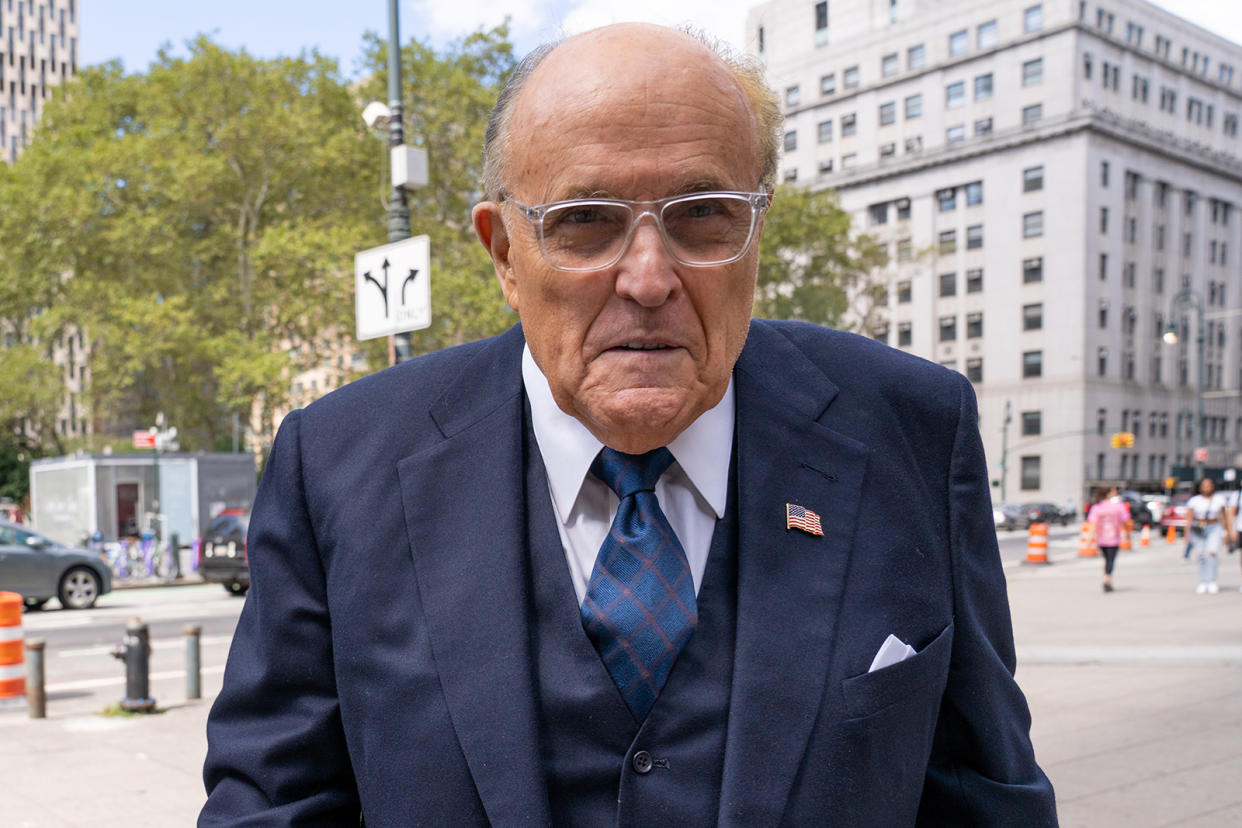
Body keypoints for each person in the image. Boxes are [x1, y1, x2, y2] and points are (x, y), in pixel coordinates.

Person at [200, 23, 1056, 825]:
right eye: (585, 222)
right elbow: (272, 803)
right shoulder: (340, 464)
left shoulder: (913, 430)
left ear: (757, 228)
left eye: (702, 215)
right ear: (504, 252)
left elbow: (986, 795)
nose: (649, 278)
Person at [1186, 477, 1227, 594]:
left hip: (1214, 527)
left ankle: (1212, 580)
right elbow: (1189, 518)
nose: (1207, 488)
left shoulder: (1219, 499)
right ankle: (1203, 581)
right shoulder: (1194, 500)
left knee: (1212, 553)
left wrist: (1226, 532)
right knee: (1201, 555)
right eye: (1204, 485)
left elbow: (1223, 516)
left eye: (1209, 485)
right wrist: (1187, 534)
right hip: (1198, 528)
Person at [1086, 486, 1129, 592]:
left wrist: (1089, 538)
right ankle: (1107, 579)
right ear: (1109, 494)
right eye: (1114, 491)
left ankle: (1106, 578)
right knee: (1111, 560)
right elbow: (1125, 521)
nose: (1116, 493)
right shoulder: (1118, 506)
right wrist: (1127, 533)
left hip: (1101, 538)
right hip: (1114, 538)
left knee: (1106, 559)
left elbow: (1092, 524)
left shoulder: (1097, 507)